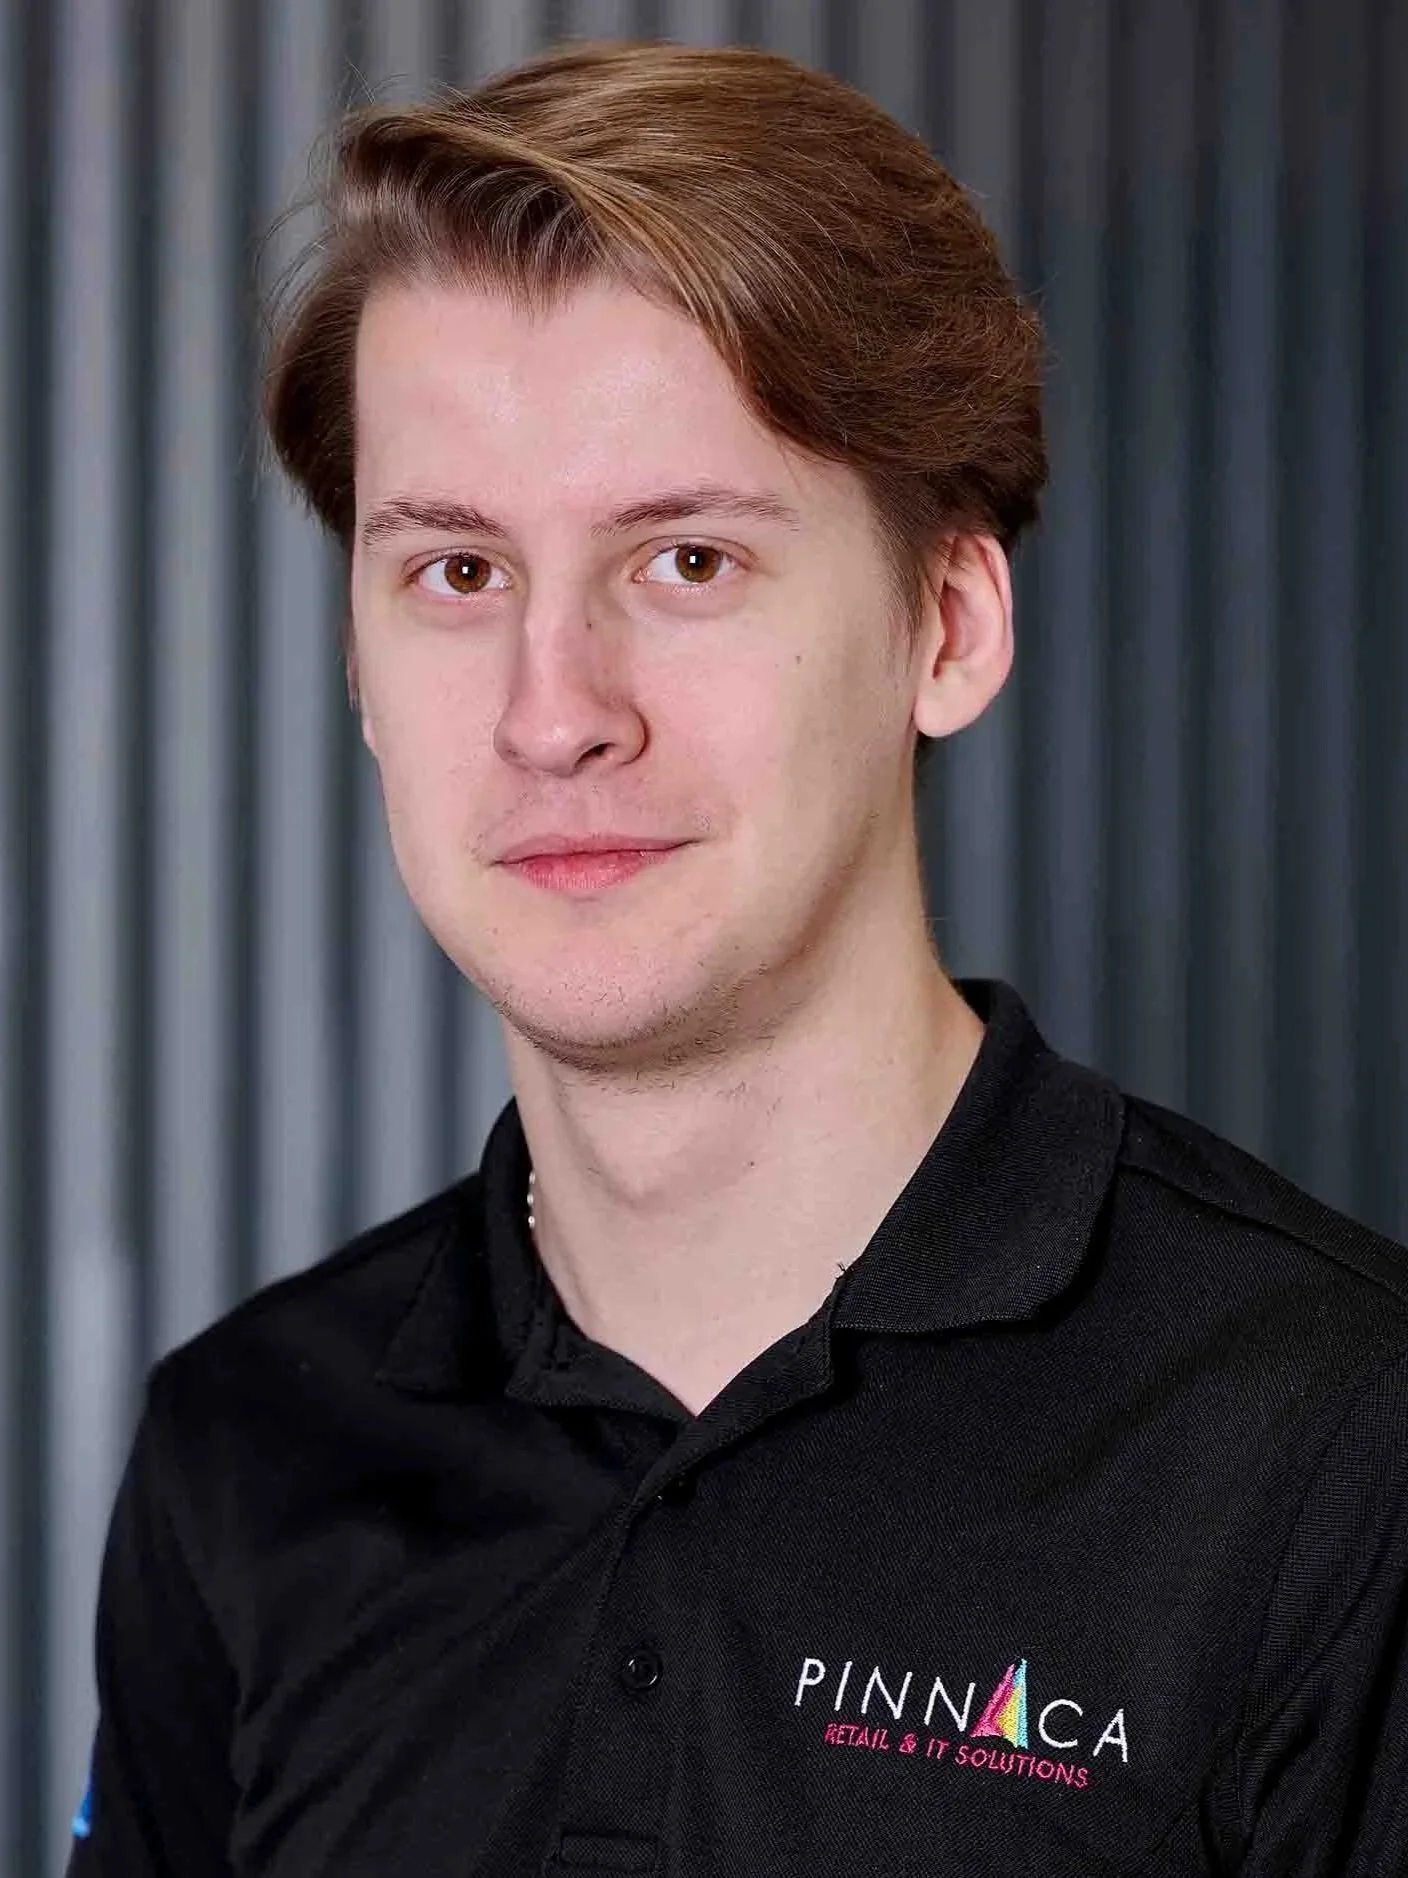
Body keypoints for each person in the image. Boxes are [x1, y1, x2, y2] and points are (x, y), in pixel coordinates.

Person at [68, 37, 1408, 1878]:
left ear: (946, 622)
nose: (555, 715)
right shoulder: (242, 1453)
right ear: (363, 667)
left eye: (685, 560)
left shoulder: (1335, 1447)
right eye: (457, 574)